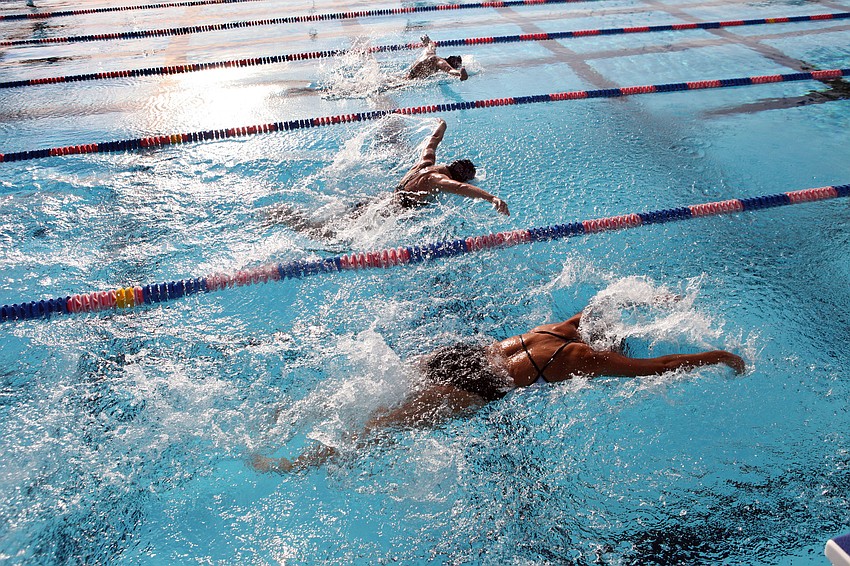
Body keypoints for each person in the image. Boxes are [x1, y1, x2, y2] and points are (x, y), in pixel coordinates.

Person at [250, 307, 744, 473]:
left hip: (463, 353)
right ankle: (293, 465)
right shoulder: (581, 357)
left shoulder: (559, 330)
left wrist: (648, 300)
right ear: (604, 345)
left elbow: (596, 308)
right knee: (380, 427)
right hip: (481, 384)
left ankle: (284, 412)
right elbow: (656, 366)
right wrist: (717, 356)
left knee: (375, 386)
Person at [393, 118, 508, 214]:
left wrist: (443, 125)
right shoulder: (436, 179)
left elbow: (433, 141)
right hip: (398, 212)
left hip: (390, 199)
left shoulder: (426, 162)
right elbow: (460, 187)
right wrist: (492, 198)